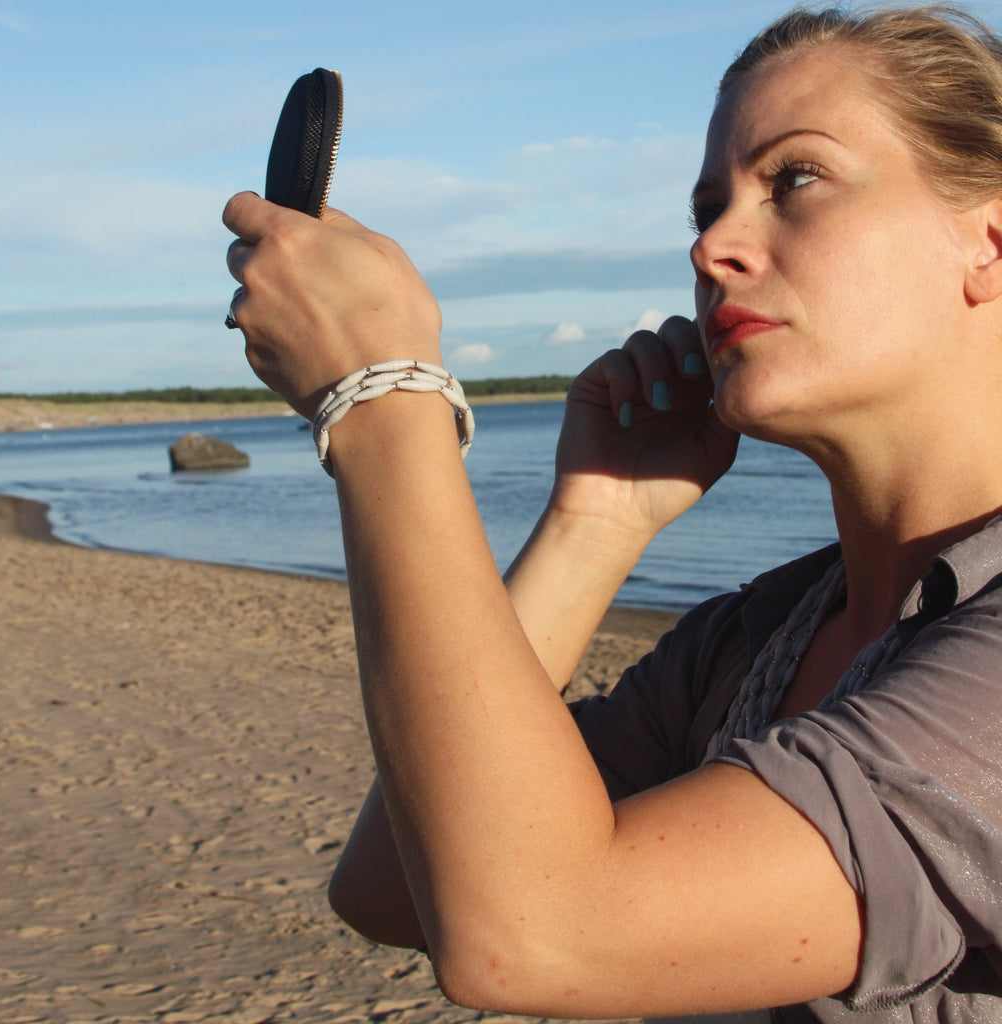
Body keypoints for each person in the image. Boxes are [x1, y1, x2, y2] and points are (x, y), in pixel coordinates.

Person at [222, 4, 1002, 1020]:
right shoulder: (753, 639)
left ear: (987, 241)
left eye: (793, 179)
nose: (716, 243)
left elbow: (538, 935)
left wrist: (381, 400)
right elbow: (393, 886)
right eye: (706, 206)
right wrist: (596, 524)